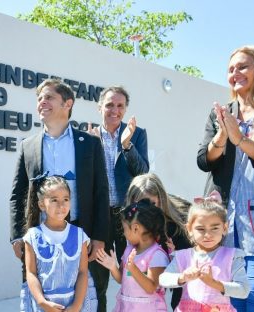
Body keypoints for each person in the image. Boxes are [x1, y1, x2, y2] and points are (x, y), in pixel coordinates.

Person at [10, 79, 110, 311]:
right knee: (42, 298)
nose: (41, 103)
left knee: (90, 297)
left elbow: (100, 192)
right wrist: (17, 236)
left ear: (68, 103)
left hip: (81, 233)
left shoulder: (90, 144)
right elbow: (18, 193)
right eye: (39, 99)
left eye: (48, 97)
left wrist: (99, 236)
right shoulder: (28, 145)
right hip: (40, 236)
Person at [196, 45, 254, 309]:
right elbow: (203, 160)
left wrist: (240, 139)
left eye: (242, 66)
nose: (235, 73)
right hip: (224, 240)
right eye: (231, 69)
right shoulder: (222, 112)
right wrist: (222, 136)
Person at [88, 86, 149, 261]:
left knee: (131, 269)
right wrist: (93, 148)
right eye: (109, 105)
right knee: (98, 272)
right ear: (100, 108)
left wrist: (127, 145)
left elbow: (142, 172)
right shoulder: (89, 137)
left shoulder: (137, 134)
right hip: (99, 215)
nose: (115, 110)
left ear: (125, 109)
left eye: (120, 106)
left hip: (129, 214)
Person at [160, 192, 249, 311]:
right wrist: (183, 277)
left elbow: (244, 290)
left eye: (215, 228)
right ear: (189, 229)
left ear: (225, 228)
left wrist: (214, 283)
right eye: (201, 229)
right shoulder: (183, 256)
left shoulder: (232, 256)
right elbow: (163, 279)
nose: (208, 235)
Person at [21, 174, 97, 311]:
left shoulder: (80, 235)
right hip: (44, 307)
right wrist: (42, 302)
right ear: (41, 204)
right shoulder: (32, 237)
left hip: (73, 305)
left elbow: (83, 272)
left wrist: (76, 305)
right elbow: (31, 273)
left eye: (66, 199)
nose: (61, 205)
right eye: (54, 200)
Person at [125, 173, 192, 309]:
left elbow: (187, 264)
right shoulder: (129, 224)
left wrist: (174, 254)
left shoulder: (178, 223)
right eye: (140, 204)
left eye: (152, 203)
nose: (147, 209)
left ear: (161, 200)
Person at [96, 199, 170, 311]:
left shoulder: (157, 255)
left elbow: (151, 287)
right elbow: (122, 279)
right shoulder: (129, 250)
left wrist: (133, 268)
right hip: (127, 307)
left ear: (135, 228)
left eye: (125, 229)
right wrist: (113, 267)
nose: (124, 233)